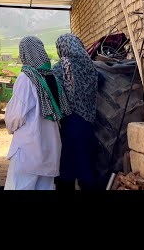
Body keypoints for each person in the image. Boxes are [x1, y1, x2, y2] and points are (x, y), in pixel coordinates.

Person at [4, 36, 72, 190]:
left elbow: (15, 116)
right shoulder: (52, 77)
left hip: (29, 149)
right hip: (50, 149)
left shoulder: (26, 78)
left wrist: (10, 127)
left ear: (24, 54)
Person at [51, 33, 99, 191]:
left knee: (66, 168)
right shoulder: (90, 65)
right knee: (86, 166)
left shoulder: (61, 67)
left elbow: (52, 94)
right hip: (88, 123)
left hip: (69, 124)